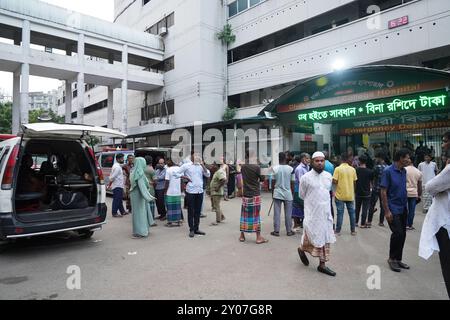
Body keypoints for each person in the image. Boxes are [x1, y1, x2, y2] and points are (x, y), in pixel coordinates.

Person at [419, 131, 450, 298]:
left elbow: (430, 187)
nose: (443, 145)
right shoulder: (423, 166)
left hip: (445, 223)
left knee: (447, 265)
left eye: (445, 141)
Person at [297, 151, 337, 276]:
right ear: (312, 162)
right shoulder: (306, 178)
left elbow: (328, 192)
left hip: (325, 213)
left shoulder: (328, 176)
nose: (320, 163)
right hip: (312, 213)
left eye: (322, 160)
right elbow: (301, 195)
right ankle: (301, 249)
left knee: (325, 238)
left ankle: (322, 264)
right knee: (310, 235)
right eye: (317, 161)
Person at [381, 148, 411, 272]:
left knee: (402, 234)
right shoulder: (388, 171)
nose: (409, 160)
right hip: (393, 208)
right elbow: (383, 192)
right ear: (400, 158)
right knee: (397, 233)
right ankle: (392, 259)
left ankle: (398, 259)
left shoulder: (404, 171)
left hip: (403, 207)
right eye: (407, 158)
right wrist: (387, 211)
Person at [239, 150, 268, 244]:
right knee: (256, 216)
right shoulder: (256, 167)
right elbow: (263, 179)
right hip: (255, 193)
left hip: (246, 193)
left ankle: (242, 235)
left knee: (244, 215)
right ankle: (258, 237)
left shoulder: (243, 167)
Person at [178, 152, 210, 238]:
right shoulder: (186, 165)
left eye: (198, 156)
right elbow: (176, 173)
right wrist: (185, 178)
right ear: (191, 157)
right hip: (190, 192)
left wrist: (202, 164)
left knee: (198, 211)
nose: (197, 157)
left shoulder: (200, 166)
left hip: (199, 191)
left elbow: (207, 174)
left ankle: (196, 228)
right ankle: (191, 229)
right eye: (195, 156)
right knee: (191, 211)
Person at [129, 157, 156, 238]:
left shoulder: (135, 172)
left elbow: (142, 187)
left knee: (139, 214)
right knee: (140, 213)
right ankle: (142, 231)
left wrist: (148, 196)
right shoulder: (139, 173)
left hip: (137, 196)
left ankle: (141, 231)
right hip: (139, 196)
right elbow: (143, 188)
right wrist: (149, 197)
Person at [270, 152, 295, 237]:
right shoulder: (291, 169)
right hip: (288, 193)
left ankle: (276, 231)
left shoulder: (275, 168)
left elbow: (272, 182)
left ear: (278, 158)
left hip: (277, 192)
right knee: (288, 213)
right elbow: (292, 182)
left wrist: (273, 193)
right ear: (286, 158)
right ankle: (289, 231)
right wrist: (292, 193)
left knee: (277, 213)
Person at [333, 152, 357, 236]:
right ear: (347, 159)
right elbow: (354, 182)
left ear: (341, 159)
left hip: (340, 195)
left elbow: (335, 181)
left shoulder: (338, 169)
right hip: (350, 195)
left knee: (340, 214)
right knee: (352, 213)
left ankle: (338, 231)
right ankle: (353, 230)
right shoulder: (353, 169)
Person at [292, 153, 310, 231]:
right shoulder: (299, 169)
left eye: (309, 158)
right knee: (298, 207)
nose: (309, 160)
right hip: (298, 190)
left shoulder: (307, 167)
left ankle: (302, 224)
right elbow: (301, 181)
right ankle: (296, 225)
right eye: (307, 158)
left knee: (304, 207)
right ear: (303, 159)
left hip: (305, 191)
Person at [355, 154, 374, 228]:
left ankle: (356, 222)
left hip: (358, 192)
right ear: (366, 161)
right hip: (367, 193)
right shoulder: (370, 171)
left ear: (359, 161)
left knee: (357, 208)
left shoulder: (356, 170)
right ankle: (363, 224)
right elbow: (371, 182)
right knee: (365, 209)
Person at [164, 159, 183, 227]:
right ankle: (178, 221)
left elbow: (167, 182)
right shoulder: (180, 169)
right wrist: (181, 190)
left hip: (170, 191)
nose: (167, 162)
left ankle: (170, 222)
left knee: (170, 207)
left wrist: (165, 191)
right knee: (177, 207)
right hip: (177, 191)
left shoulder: (168, 170)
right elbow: (181, 180)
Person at [405, 157, 422, 230]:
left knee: (405, 209)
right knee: (412, 210)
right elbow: (419, 185)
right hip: (414, 193)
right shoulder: (418, 172)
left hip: (405, 192)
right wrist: (419, 194)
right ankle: (410, 224)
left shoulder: (404, 170)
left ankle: (405, 224)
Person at [109, 153, 126, 218]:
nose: (123, 159)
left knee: (119, 199)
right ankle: (114, 212)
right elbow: (112, 177)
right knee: (117, 199)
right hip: (117, 185)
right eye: (122, 158)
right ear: (118, 159)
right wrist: (110, 182)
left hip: (118, 185)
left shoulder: (117, 166)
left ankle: (122, 211)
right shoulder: (117, 167)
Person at [144, 155, 157, 226]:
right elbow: (155, 180)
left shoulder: (142, 168)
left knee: (145, 203)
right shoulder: (151, 169)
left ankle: (145, 218)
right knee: (151, 203)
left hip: (143, 188)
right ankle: (151, 219)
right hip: (150, 188)